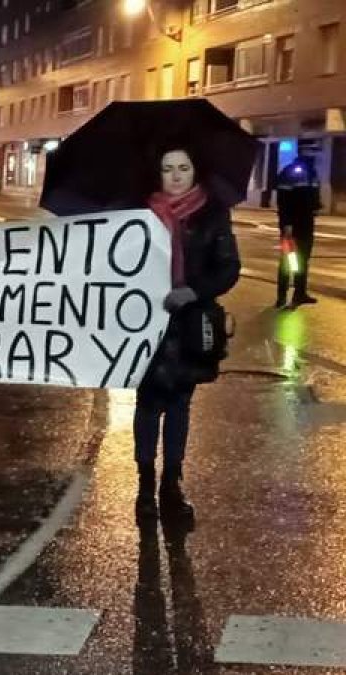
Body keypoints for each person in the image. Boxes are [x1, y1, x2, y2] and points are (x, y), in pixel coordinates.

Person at [133, 143, 240, 522]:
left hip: (191, 325)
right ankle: (145, 488)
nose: (176, 175)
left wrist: (192, 290)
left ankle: (171, 485)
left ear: (195, 171)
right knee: (147, 404)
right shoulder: (140, 213)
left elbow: (228, 268)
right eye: (167, 168)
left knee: (179, 404)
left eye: (183, 167)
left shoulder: (213, 214)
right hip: (146, 324)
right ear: (157, 173)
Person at [275, 152, 321, 308]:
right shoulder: (290, 173)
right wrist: (286, 224)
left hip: (306, 224)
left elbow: (312, 197)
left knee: (303, 259)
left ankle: (300, 293)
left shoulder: (312, 172)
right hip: (292, 226)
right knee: (289, 260)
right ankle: (282, 297)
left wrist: (316, 206)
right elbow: (284, 201)